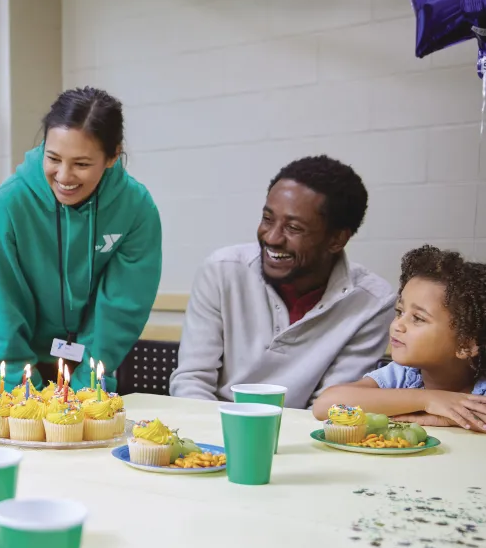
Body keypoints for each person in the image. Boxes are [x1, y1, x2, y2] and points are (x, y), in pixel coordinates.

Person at [169, 155, 396, 409]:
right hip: (214, 431)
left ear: (336, 240)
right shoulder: (221, 271)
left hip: (300, 440)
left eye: (294, 228)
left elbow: (329, 408)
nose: (273, 238)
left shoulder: (373, 302)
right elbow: (192, 381)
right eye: (268, 219)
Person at [0, 87, 162, 392]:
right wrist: (24, 394)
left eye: (81, 164)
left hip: (92, 368)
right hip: (23, 368)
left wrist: (83, 390)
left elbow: (121, 310)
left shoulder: (136, 209)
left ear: (113, 156)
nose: (64, 176)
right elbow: (2, 311)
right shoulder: (9, 206)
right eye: (53, 158)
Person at [313, 245, 486, 431]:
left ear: (465, 345)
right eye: (399, 311)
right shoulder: (403, 374)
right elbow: (325, 405)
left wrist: (452, 419)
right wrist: (428, 400)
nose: (397, 325)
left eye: (418, 318)